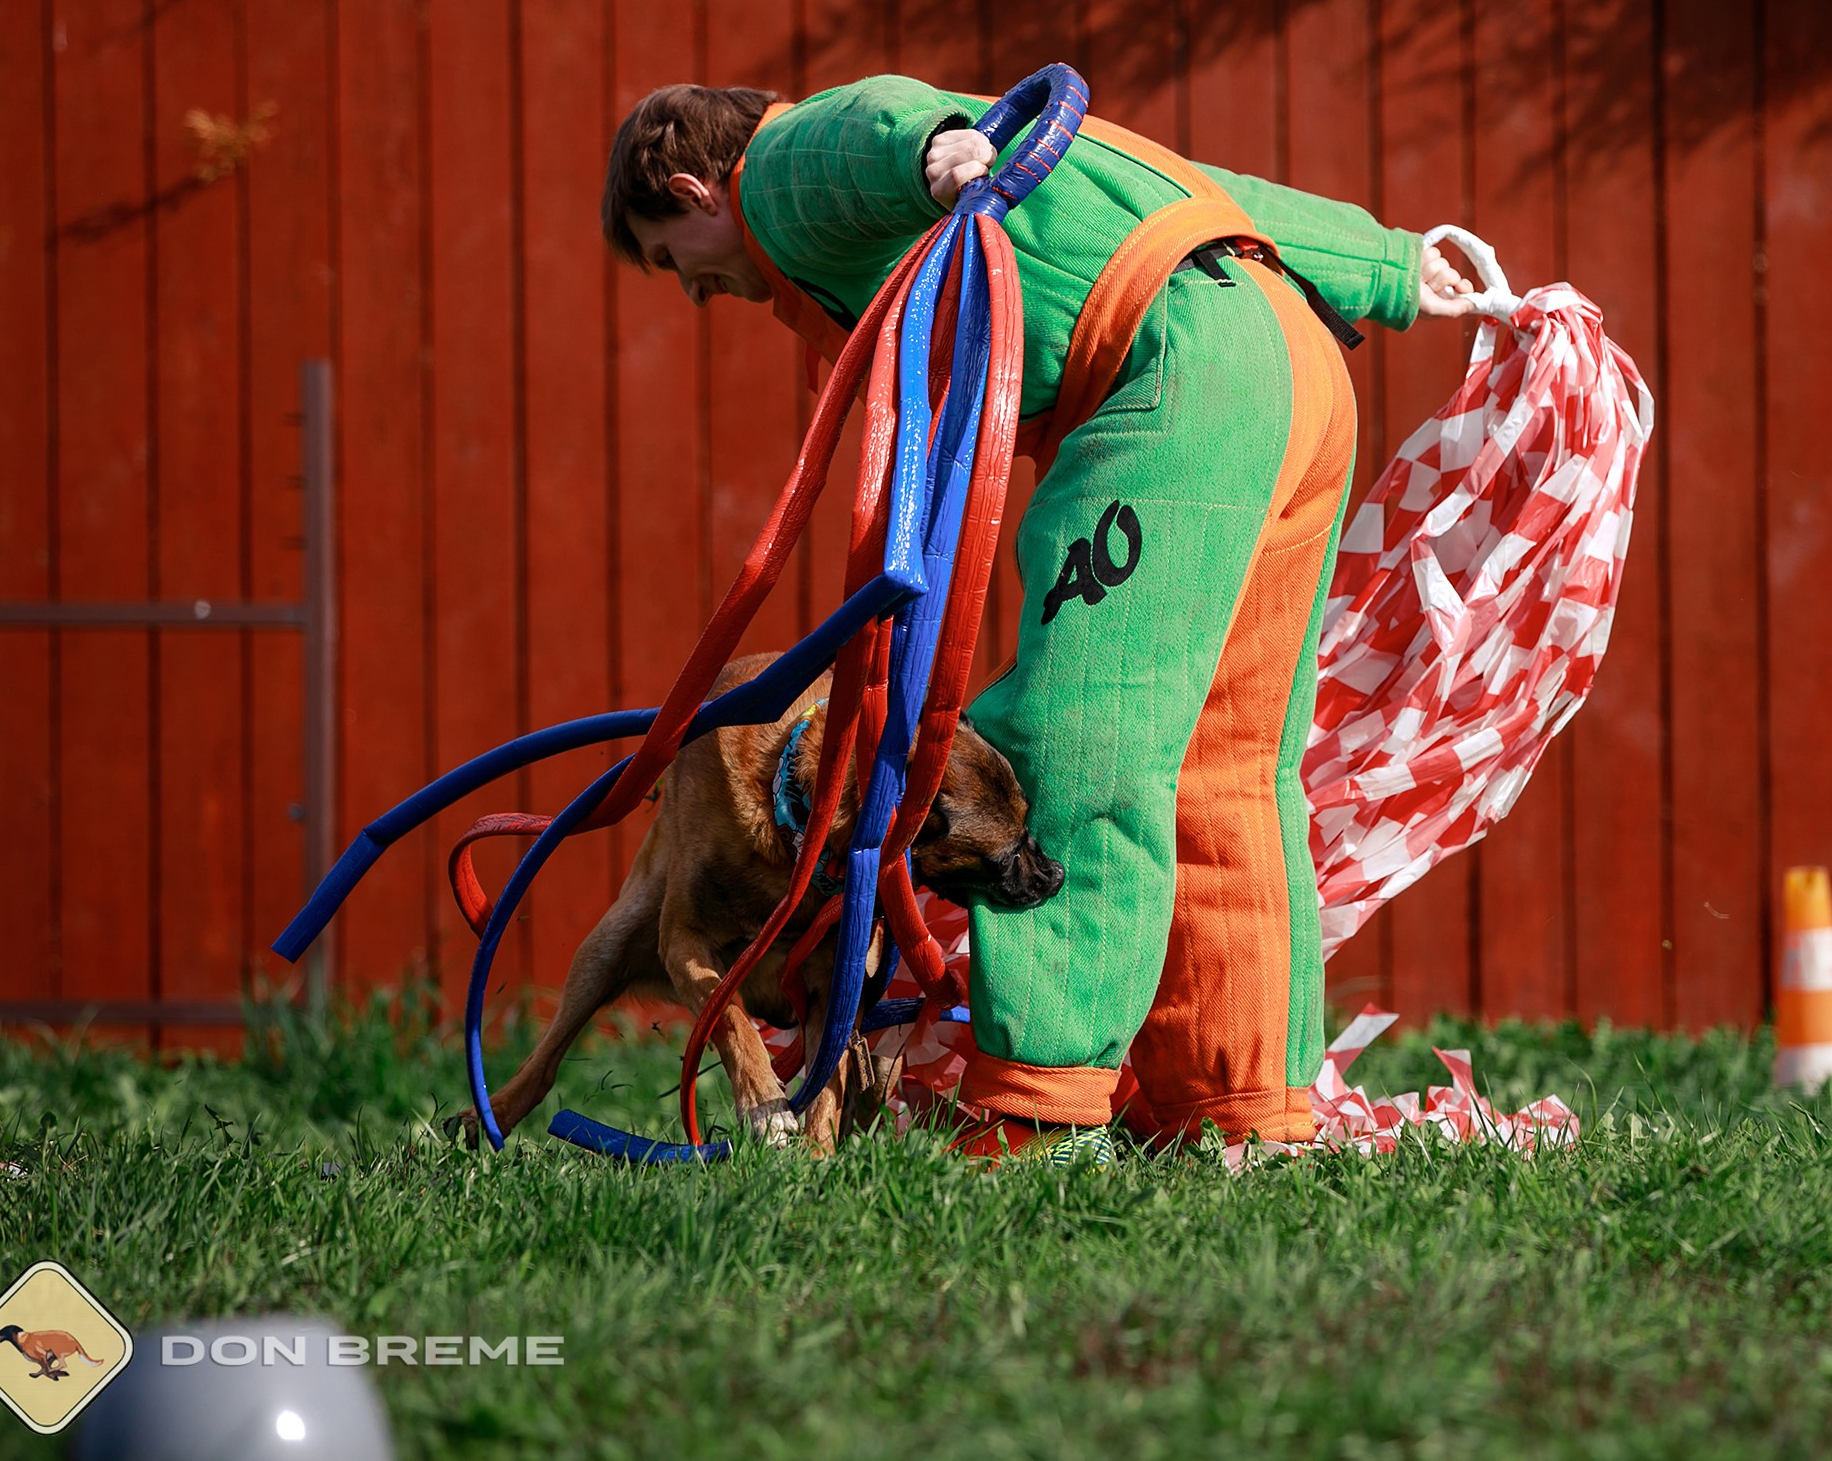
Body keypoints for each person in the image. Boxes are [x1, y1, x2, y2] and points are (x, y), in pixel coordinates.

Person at [601, 75, 1475, 1157]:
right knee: (1228, 759)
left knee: (1071, 742)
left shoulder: (777, 174)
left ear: (693, 186)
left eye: (669, 256)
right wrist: (1387, 267)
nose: (692, 289)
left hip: (1170, 377)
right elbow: (1204, 192)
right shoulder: (1003, 152)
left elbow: (861, 123)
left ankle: (1038, 1108)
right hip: (1284, 359)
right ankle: (1241, 1109)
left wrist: (926, 152)